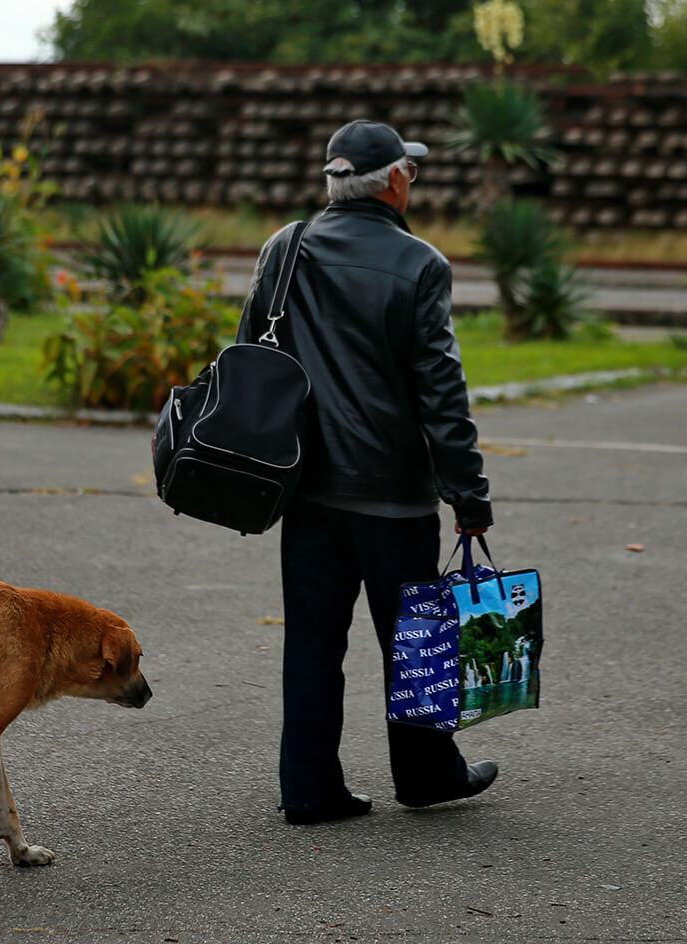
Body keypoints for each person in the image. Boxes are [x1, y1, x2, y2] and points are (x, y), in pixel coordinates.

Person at [236, 119, 499, 825]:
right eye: (410, 171)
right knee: (417, 637)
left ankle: (309, 790)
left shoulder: (284, 250)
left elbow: (250, 361)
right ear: (394, 180)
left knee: (313, 647)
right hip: (394, 496)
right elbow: (441, 392)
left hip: (309, 490)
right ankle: (425, 775)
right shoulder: (419, 264)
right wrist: (468, 493)